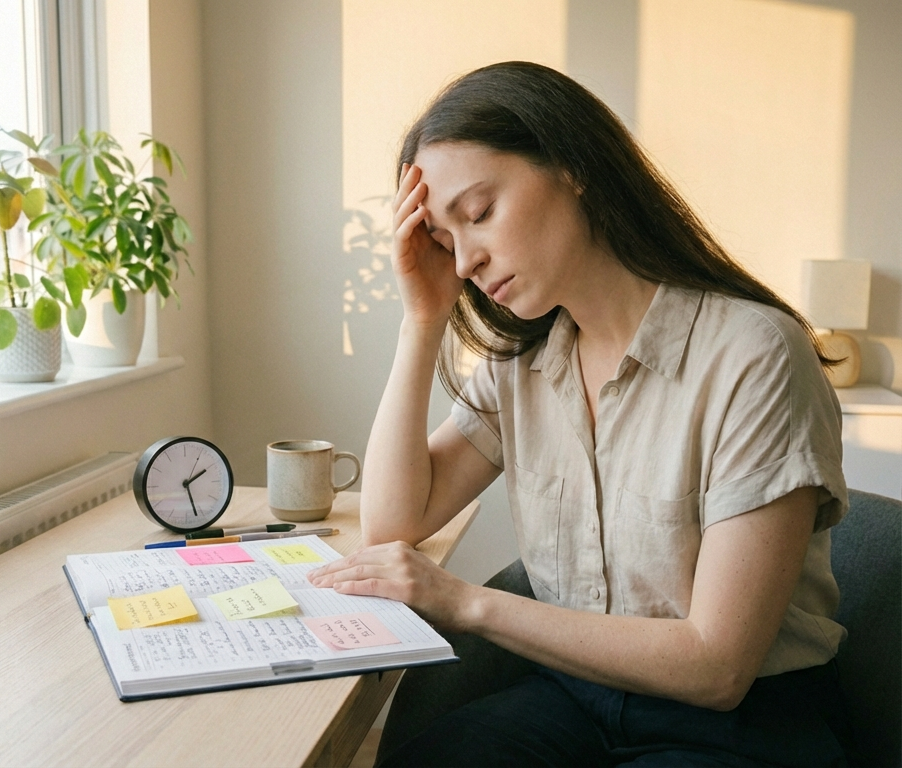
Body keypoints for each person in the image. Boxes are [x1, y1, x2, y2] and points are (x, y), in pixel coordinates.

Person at [308, 61, 853, 766]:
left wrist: (464, 602)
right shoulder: (521, 365)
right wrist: (424, 317)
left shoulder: (753, 355)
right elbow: (393, 524)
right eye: (445, 241)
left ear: (573, 167)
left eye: (478, 214)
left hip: (741, 724)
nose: (467, 259)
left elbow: (717, 668)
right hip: (574, 701)